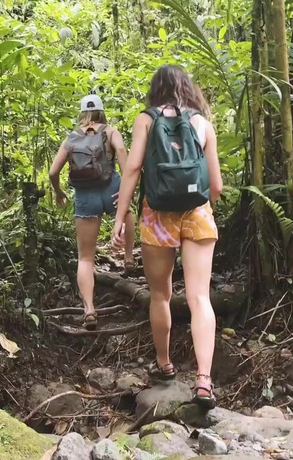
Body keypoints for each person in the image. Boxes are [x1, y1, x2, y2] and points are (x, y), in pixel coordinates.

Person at [112, 65, 223, 409]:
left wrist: (120, 216)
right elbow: (216, 188)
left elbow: (131, 168)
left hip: (157, 215)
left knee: (160, 294)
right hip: (197, 213)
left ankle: (165, 365)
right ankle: (204, 380)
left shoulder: (145, 120)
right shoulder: (202, 125)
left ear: (155, 90)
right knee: (199, 297)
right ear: (188, 89)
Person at [49, 95, 136, 330]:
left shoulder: (71, 138)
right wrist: (128, 187)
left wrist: (58, 193)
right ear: (101, 112)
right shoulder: (111, 131)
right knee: (127, 214)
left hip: (85, 197)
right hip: (112, 189)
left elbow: (53, 171)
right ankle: (128, 257)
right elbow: (122, 154)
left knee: (85, 258)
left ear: (81, 114)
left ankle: (89, 309)